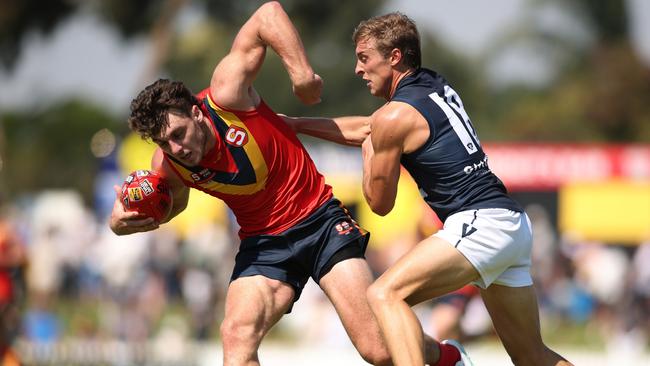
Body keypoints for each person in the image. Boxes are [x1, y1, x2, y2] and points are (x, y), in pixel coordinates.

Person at [111, 3, 408, 365]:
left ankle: (445, 357)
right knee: (236, 339)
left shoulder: (227, 93)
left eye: (178, 134)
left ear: (195, 112)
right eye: (163, 143)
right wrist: (123, 222)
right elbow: (173, 206)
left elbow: (267, 15)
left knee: (378, 350)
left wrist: (302, 75)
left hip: (319, 222)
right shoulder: (169, 162)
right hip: (264, 245)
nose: (177, 148)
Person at [286, 12, 574, 366]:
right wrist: (295, 125)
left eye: (364, 58)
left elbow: (379, 203)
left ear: (394, 57)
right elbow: (370, 127)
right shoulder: (432, 85)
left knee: (384, 294)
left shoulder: (393, 118)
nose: (358, 70)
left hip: (480, 225)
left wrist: (369, 153)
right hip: (510, 223)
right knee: (532, 357)